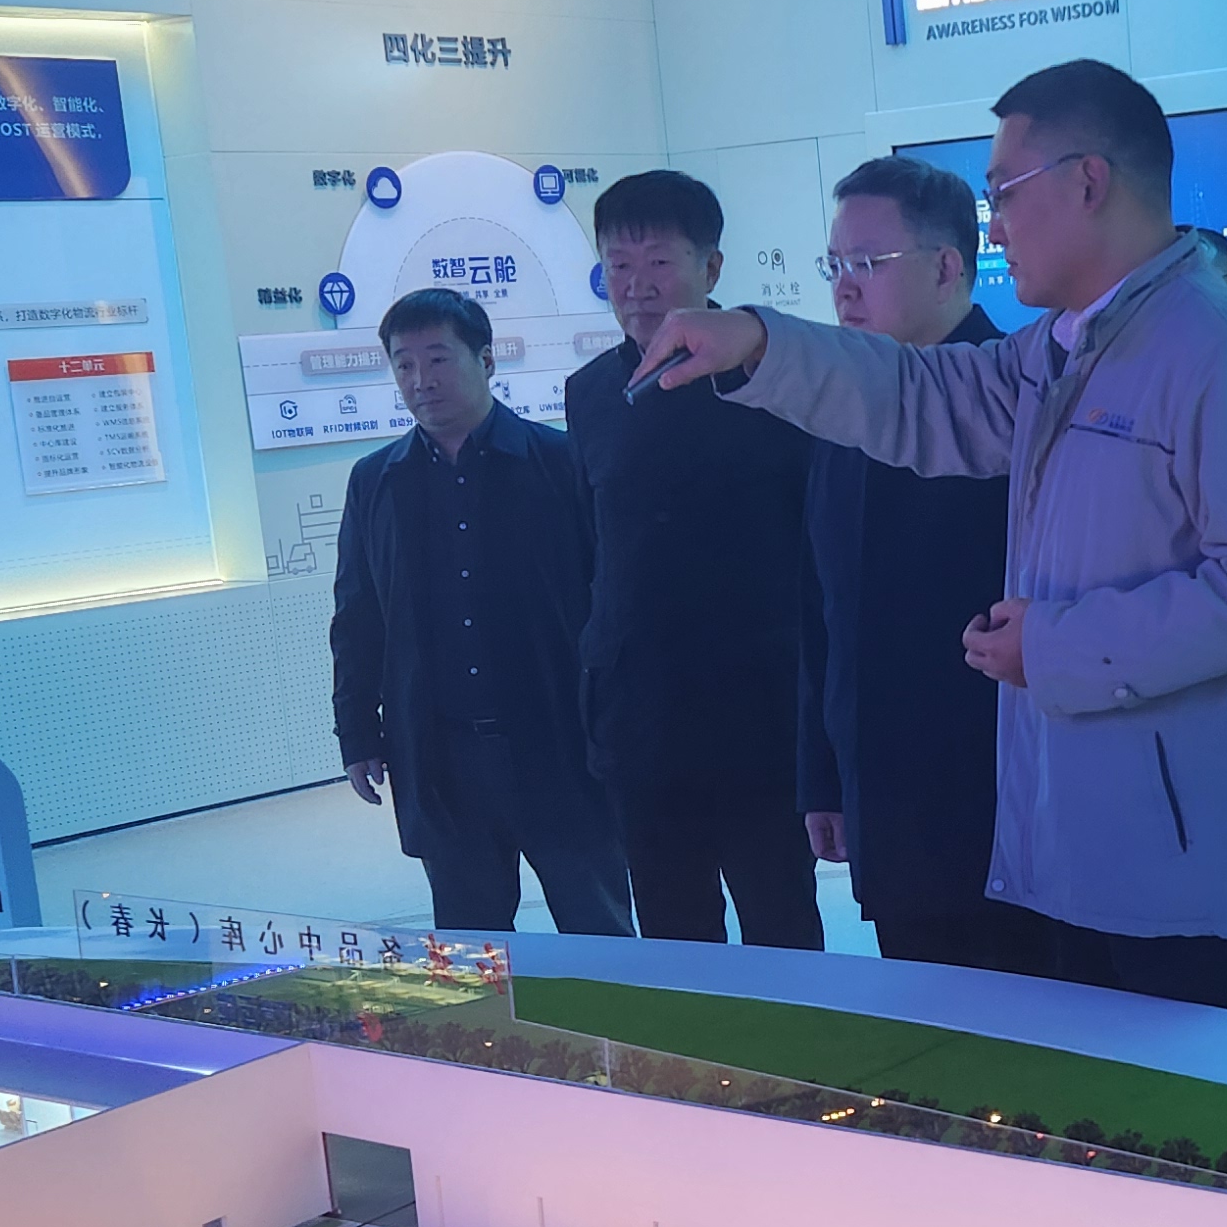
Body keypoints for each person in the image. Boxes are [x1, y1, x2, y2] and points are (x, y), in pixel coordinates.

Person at [632, 60, 1227, 1017]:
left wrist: (1052, 647)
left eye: (1005, 193)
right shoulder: (1064, 348)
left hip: (1191, 870)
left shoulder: (1220, 355)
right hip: (1087, 846)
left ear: (1088, 182)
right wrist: (761, 343)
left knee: (1205, 1105)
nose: (994, 228)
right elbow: (924, 394)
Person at [562, 171, 824, 949]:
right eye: (618, 266)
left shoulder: (774, 380)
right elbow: (594, 554)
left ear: (712, 268)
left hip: (761, 715)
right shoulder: (589, 393)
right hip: (640, 720)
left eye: (658, 264)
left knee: (781, 921)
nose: (636, 287)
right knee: (674, 933)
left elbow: (817, 552)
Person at [798, 157, 1044, 973]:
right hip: (885, 799)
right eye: (835, 265)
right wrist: (825, 779)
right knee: (923, 1017)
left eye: (868, 263)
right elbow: (821, 609)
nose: (845, 288)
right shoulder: (843, 407)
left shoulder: (1022, 400)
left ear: (947, 267)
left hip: (1002, 799)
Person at [327, 287, 632, 935]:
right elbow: (357, 617)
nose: (421, 381)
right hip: (442, 759)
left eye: (438, 359)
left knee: (598, 931)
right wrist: (356, 732)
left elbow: (610, 601)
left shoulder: (560, 462)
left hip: (560, 746)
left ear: (486, 360)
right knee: (472, 952)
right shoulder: (376, 481)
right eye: (405, 365)